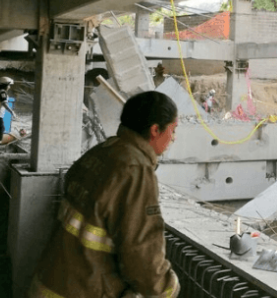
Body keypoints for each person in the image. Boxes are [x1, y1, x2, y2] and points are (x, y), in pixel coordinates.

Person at [29, 91, 180, 298]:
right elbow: (142, 257)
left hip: (48, 283)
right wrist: (168, 288)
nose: (174, 137)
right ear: (155, 130)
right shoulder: (135, 170)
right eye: (173, 129)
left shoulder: (101, 152)